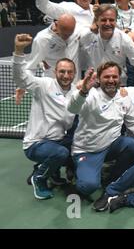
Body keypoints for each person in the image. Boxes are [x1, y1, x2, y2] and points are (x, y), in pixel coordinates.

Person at [68, 61, 134, 197]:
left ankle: (112, 179)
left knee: (131, 145)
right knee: (88, 186)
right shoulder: (90, 95)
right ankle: (75, 166)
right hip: (88, 151)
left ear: (119, 78)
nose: (111, 80)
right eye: (106, 77)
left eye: (114, 77)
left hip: (110, 147)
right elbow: (72, 108)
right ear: (99, 78)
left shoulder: (123, 97)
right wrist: (83, 91)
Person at [12, 34, 77, 200]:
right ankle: (39, 178)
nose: (65, 75)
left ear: (74, 74)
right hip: (36, 143)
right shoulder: (43, 85)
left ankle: (52, 172)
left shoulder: (75, 92)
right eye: (62, 71)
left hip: (57, 140)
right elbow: (21, 78)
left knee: (79, 144)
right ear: (55, 72)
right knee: (61, 153)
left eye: (69, 72)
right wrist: (19, 51)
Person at [78, 4, 134, 85]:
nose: (108, 23)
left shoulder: (124, 39)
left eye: (111, 20)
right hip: (93, 84)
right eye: (104, 20)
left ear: (116, 21)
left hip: (117, 84)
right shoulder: (87, 36)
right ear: (97, 21)